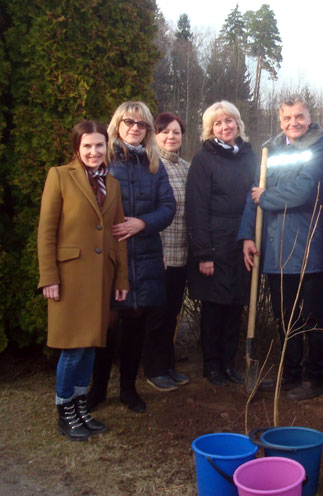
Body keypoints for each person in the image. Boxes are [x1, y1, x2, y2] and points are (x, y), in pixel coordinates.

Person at [37, 120, 129, 441]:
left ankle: (80, 408)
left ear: (107, 146)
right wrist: (49, 276)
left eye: (99, 145)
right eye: (87, 146)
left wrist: (121, 278)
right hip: (69, 277)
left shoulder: (113, 185)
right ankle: (65, 412)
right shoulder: (60, 176)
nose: (93, 152)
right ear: (77, 147)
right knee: (73, 349)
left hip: (101, 278)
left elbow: (118, 236)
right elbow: (47, 230)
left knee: (90, 348)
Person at [238, 95, 323, 401]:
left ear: (309, 116)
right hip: (275, 248)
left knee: (313, 318)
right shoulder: (270, 149)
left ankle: (315, 377)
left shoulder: (321, 147)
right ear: (280, 120)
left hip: (308, 246)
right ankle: (290, 374)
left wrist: (266, 197)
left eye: (299, 117)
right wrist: (248, 236)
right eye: (287, 118)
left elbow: (304, 190)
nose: (293, 123)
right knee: (284, 317)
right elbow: (253, 193)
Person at [87, 101, 176, 414]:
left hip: (146, 253)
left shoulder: (154, 164)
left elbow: (168, 207)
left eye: (142, 125)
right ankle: (97, 388)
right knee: (107, 324)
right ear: (117, 125)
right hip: (110, 255)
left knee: (136, 324)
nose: (136, 128)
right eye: (130, 122)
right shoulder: (104, 159)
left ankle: (128, 389)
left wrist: (142, 223)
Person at [185, 101, 256, 386]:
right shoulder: (204, 159)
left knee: (236, 304)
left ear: (238, 124)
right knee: (215, 307)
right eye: (218, 123)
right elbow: (196, 207)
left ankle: (230, 362)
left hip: (242, 241)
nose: (225, 127)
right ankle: (211, 365)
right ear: (210, 129)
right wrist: (204, 253)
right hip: (214, 243)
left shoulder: (250, 156)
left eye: (229, 121)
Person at [143, 112, 191, 392]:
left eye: (176, 132)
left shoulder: (186, 167)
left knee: (172, 312)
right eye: (165, 132)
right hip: (159, 252)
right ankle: (154, 369)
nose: (171, 137)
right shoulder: (150, 165)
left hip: (182, 252)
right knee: (156, 314)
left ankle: (168, 364)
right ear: (155, 135)